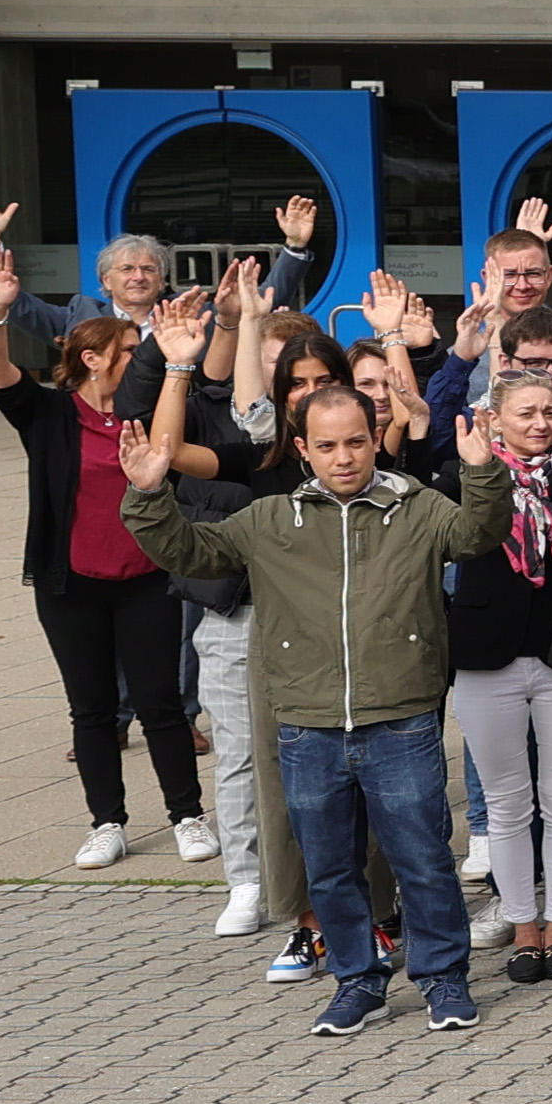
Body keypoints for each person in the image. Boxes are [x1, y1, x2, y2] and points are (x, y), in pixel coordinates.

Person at [118, 382, 508, 1035]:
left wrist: (482, 473)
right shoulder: (271, 521)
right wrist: (150, 495)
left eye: (356, 441)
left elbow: (478, 534)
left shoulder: (417, 509)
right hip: (307, 727)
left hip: (401, 719)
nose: (344, 456)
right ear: (303, 448)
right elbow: (189, 553)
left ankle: (444, 980)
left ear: (373, 439)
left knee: (424, 860)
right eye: (327, 445)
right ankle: (358, 982)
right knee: (329, 871)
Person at [0, 253, 213, 872]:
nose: (141, 360)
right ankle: (107, 822)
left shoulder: (146, 413)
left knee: (161, 702)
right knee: (93, 709)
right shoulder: (50, 414)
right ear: (93, 358)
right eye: (132, 350)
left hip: (146, 581)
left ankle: (187, 815)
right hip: (70, 586)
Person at [442, 373, 552, 986]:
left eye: (550, 412)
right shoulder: (463, 477)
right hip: (487, 659)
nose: (539, 423)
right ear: (494, 418)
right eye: (525, 413)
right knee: (506, 807)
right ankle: (523, 930)